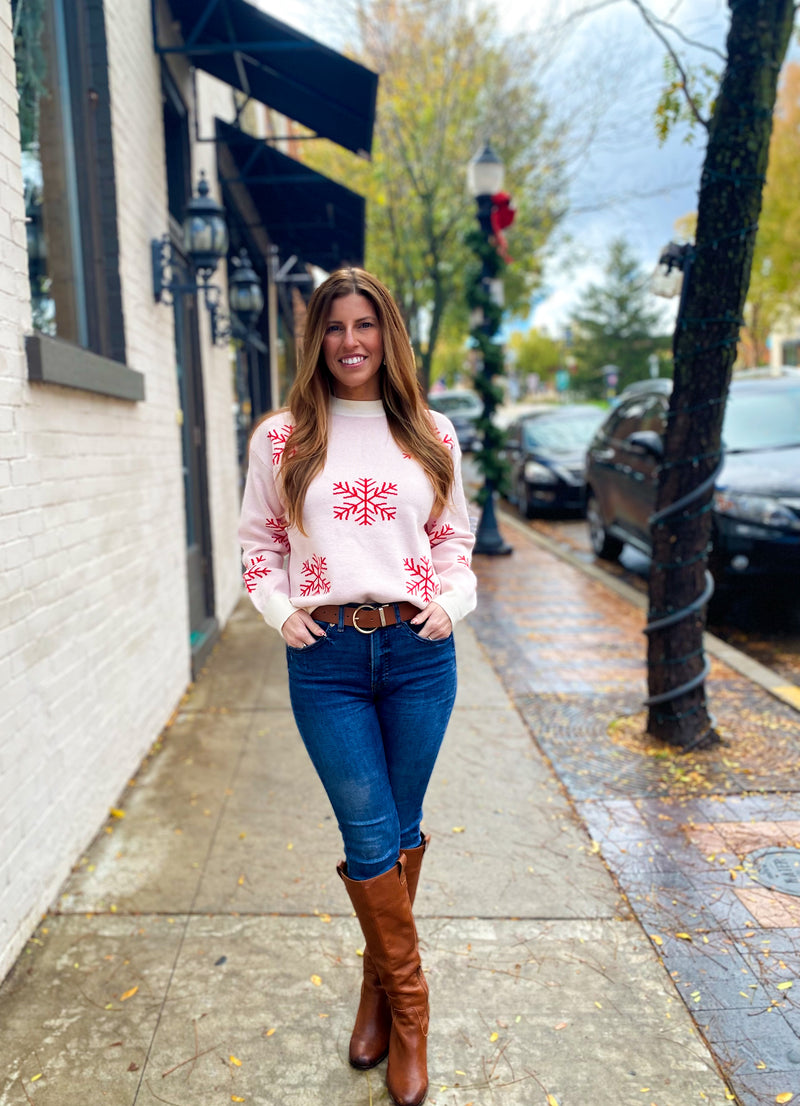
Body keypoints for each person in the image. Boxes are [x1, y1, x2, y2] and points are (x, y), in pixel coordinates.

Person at [238, 267, 476, 1106]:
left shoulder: (432, 434)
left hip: (416, 655)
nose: (350, 341)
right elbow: (259, 543)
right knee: (372, 835)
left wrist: (451, 602)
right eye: (334, 326)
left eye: (365, 325)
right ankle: (412, 1013)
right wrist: (277, 609)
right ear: (316, 339)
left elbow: (454, 540)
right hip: (329, 661)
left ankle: (378, 992)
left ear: (389, 335)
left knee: (401, 828)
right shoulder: (283, 438)